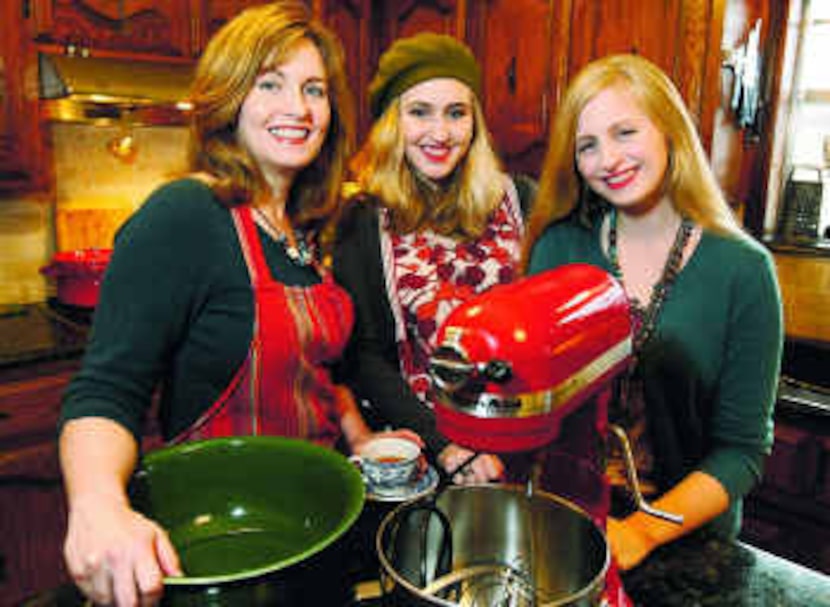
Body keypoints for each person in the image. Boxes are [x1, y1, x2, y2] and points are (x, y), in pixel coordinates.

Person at [58, 4, 420, 605]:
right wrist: (96, 502)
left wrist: (362, 443)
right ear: (229, 98)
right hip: (224, 550)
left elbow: (318, 371)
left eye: (315, 90)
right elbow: (105, 390)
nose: (298, 109)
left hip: (315, 537)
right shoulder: (186, 216)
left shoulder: (308, 230)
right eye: (270, 84)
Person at [524, 53, 783, 573]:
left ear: (668, 130)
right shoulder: (557, 248)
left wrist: (643, 530)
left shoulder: (744, 271)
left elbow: (742, 452)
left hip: (686, 545)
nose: (608, 159)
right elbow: (531, 399)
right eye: (587, 146)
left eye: (625, 132)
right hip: (566, 522)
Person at [334, 33, 536, 484]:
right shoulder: (363, 219)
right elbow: (365, 358)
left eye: (456, 113)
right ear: (392, 122)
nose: (440, 133)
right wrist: (445, 445)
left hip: (522, 442)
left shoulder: (520, 199)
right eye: (419, 112)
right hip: (423, 450)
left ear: (475, 123)